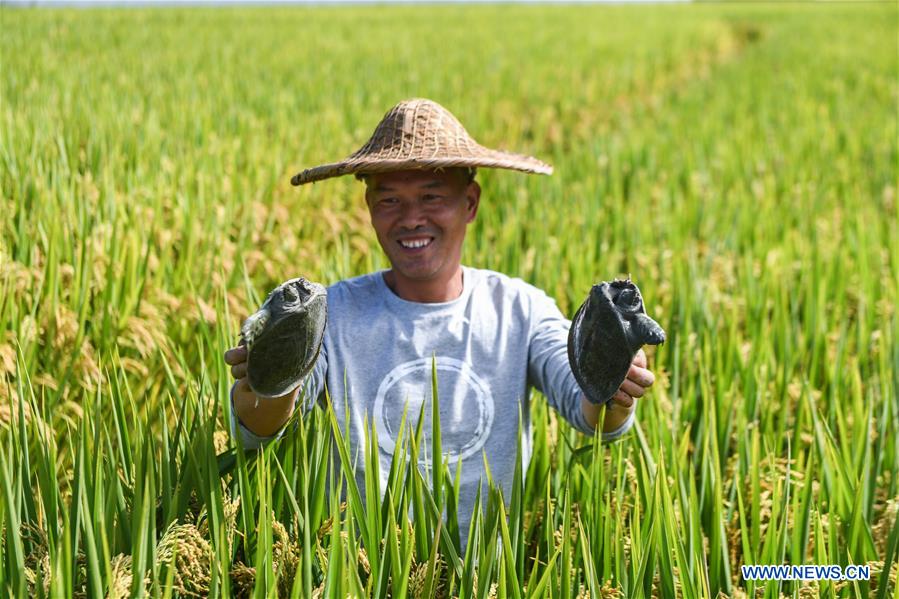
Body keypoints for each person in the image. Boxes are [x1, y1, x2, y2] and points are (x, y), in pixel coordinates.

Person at [223, 98, 656, 546]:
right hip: (359, 570)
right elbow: (260, 427)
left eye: (431, 196)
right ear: (370, 207)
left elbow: (589, 410)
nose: (411, 219)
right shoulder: (333, 313)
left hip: (486, 572)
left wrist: (612, 381)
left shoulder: (519, 309)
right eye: (389, 200)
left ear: (469, 202)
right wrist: (269, 379)